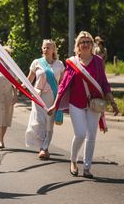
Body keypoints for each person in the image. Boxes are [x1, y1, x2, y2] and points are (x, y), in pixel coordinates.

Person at [48, 31, 119, 178]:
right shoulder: (72, 63)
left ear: (92, 45)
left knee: (91, 135)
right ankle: (73, 160)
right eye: (82, 42)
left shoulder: (98, 61)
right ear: (78, 46)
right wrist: (55, 105)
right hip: (76, 103)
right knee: (80, 134)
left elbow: (104, 83)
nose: (85, 44)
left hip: (94, 104)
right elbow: (63, 85)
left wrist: (112, 102)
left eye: (88, 42)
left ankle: (87, 168)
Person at [24, 40, 65, 160]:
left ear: (53, 50)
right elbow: (29, 78)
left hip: (53, 96)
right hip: (38, 96)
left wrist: (63, 97)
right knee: (38, 121)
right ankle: (42, 147)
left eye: (48, 47)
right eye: (44, 47)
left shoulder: (59, 64)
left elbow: (62, 83)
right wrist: (21, 86)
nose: (45, 49)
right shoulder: (37, 62)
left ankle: (45, 147)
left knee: (49, 124)